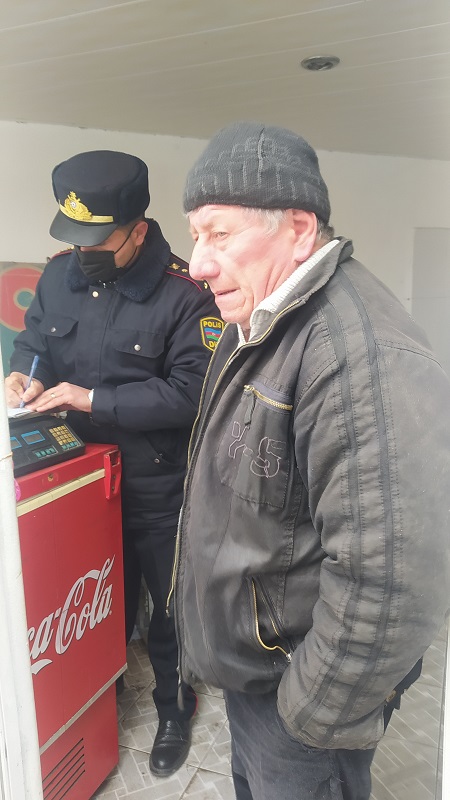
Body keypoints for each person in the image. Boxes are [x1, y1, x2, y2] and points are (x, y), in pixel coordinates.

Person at [172, 122, 450, 800]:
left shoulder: (358, 356)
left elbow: (393, 580)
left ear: (299, 229)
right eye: (195, 235)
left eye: (219, 234)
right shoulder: (259, 316)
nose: (198, 263)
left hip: (297, 706)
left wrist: (309, 718)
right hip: (257, 681)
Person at [5, 149, 223, 778]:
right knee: (97, 595)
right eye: (74, 238)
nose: (84, 252)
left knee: (168, 604)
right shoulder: (59, 275)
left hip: (157, 481)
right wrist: (25, 374)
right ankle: (104, 688)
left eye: (97, 240)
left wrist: (94, 400)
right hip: (75, 478)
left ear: (138, 231)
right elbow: (36, 341)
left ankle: (174, 706)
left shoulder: (186, 294)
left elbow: (192, 392)